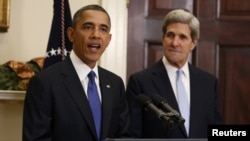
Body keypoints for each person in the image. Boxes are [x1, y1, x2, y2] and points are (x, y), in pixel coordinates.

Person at [22, 4, 130, 141]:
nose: (96, 34)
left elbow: (124, 136)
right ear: (71, 34)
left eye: (103, 29)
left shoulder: (115, 83)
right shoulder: (45, 82)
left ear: (108, 39)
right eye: (88, 27)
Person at [126, 9, 224, 138]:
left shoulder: (209, 83)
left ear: (193, 43)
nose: (174, 43)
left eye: (182, 37)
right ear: (163, 39)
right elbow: (132, 135)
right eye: (170, 35)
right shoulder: (140, 82)